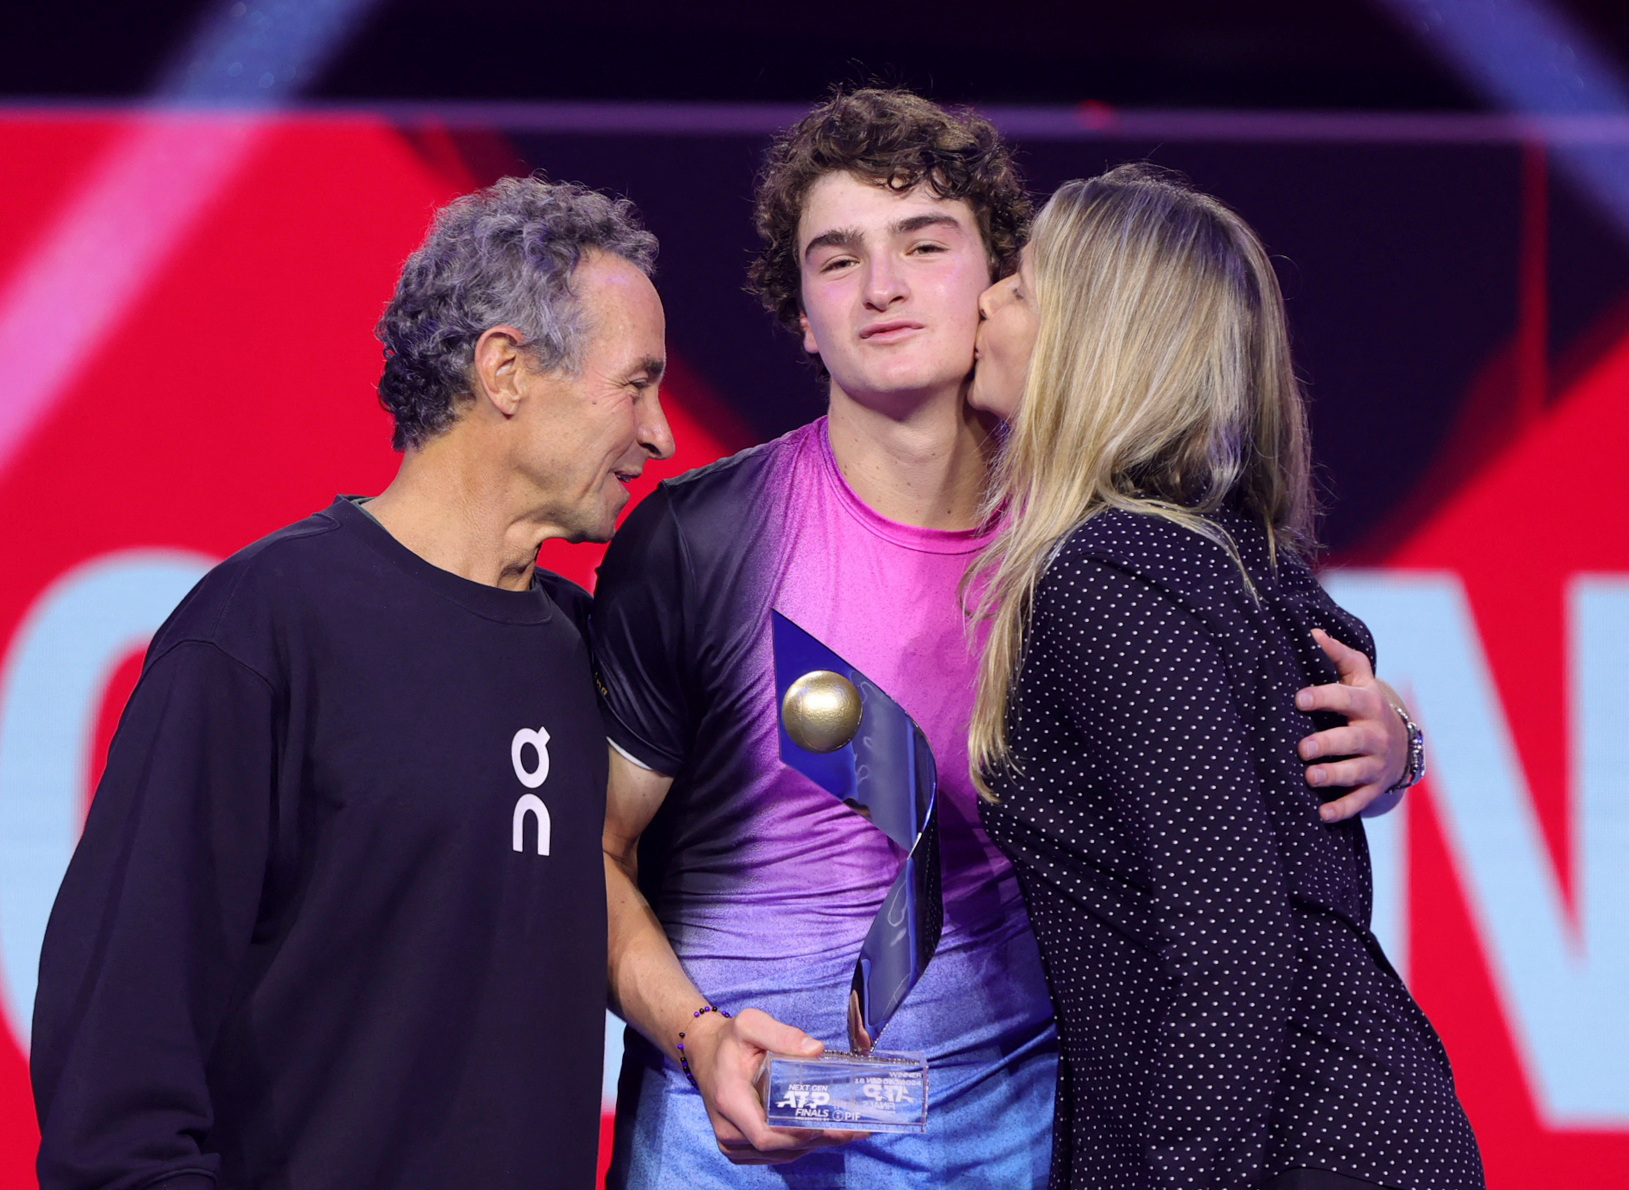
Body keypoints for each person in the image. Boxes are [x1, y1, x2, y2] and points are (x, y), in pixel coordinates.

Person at [592, 90, 1417, 1188]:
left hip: (1021, 1150)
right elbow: (588, 856)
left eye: (924, 245)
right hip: (721, 1151)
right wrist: (697, 1033)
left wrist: (1400, 739)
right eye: (836, 261)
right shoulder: (700, 541)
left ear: (1001, 287)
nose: (881, 286)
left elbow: (1245, 887)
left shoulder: (1097, 550)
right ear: (800, 311)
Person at [30, 177, 674, 1189]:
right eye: (636, 384)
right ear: (507, 369)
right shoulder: (260, 630)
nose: (661, 433)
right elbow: (116, 1064)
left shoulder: (576, 649)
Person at [966, 164, 1482, 1189]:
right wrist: (1407, 742)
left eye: (1019, 287)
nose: (985, 299)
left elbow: (1234, 939)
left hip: (1298, 1149)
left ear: (1094, 343)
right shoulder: (1228, 560)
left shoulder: (1110, 578)